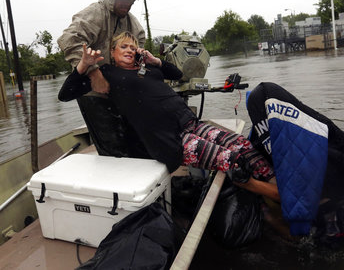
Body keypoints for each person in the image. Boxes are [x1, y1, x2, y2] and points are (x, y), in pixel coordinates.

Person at [58, 31, 271, 182]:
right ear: (112, 52)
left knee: (242, 144)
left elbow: (178, 75)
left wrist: (154, 60)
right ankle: (274, 196)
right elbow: (65, 94)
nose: (130, 51)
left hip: (190, 123)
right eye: (123, 47)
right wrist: (84, 65)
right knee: (232, 160)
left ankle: (275, 181)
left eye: (133, 47)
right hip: (171, 139)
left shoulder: (147, 69)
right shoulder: (108, 74)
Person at [237, 82, 344, 241]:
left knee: (321, 247)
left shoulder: (309, 151)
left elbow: (292, 194)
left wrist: (248, 184)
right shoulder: (305, 126)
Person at [57, 0, 145, 94]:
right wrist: (94, 73)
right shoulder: (96, 12)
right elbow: (69, 39)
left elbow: (140, 50)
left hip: (120, 88)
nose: (128, 3)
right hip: (91, 87)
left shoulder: (133, 24)